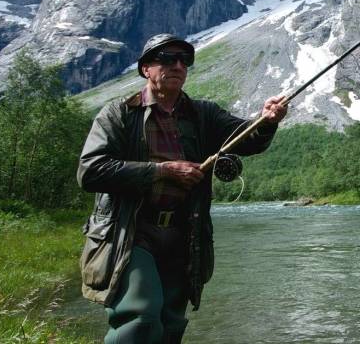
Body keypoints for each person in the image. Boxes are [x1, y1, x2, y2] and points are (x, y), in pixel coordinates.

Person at [77, 33, 287, 343]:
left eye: (183, 60)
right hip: (132, 232)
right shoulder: (118, 114)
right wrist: (161, 171)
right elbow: (90, 171)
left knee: (171, 322)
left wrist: (268, 120)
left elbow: (247, 138)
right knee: (141, 315)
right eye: (166, 58)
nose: (177, 65)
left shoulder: (204, 114)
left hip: (184, 234)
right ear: (146, 69)